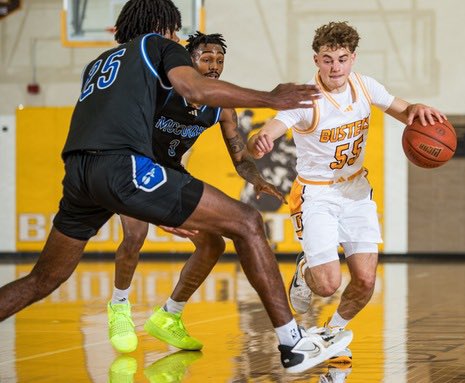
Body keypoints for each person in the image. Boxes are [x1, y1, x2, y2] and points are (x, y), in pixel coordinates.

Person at [0, 0, 352, 373]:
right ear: (162, 25)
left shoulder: (99, 63)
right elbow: (195, 90)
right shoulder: (159, 45)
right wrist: (269, 98)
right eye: (174, 29)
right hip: (125, 166)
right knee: (247, 222)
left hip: (79, 170)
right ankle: (292, 344)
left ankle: (170, 314)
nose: (176, 37)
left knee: (43, 278)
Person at [248, 21, 446, 362]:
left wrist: (418, 109)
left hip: (356, 191)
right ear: (316, 59)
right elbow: (273, 127)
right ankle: (305, 270)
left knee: (366, 281)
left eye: (341, 58)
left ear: (353, 58)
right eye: (327, 59)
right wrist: (262, 138)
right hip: (317, 195)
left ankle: (332, 332)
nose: (335, 67)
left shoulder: (365, 86)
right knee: (326, 285)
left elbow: (405, 111)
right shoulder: (304, 99)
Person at [107, 31, 286, 354]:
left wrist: (257, 179)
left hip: (172, 173)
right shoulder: (163, 90)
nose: (214, 65)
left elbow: (240, 158)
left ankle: (169, 316)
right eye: (207, 58)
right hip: (134, 167)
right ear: (189, 61)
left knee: (212, 243)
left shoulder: (222, 106)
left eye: (219, 60)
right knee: (135, 235)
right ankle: (119, 307)